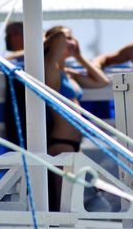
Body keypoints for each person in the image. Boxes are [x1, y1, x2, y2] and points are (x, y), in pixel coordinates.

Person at [44, 25, 110, 211]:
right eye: (67, 39)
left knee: (73, 202)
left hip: (75, 145)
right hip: (60, 144)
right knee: (62, 203)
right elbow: (56, 41)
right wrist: (59, 37)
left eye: (73, 38)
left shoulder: (69, 74)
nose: (71, 42)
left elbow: (102, 82)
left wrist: (80, 57)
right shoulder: (50, 70)